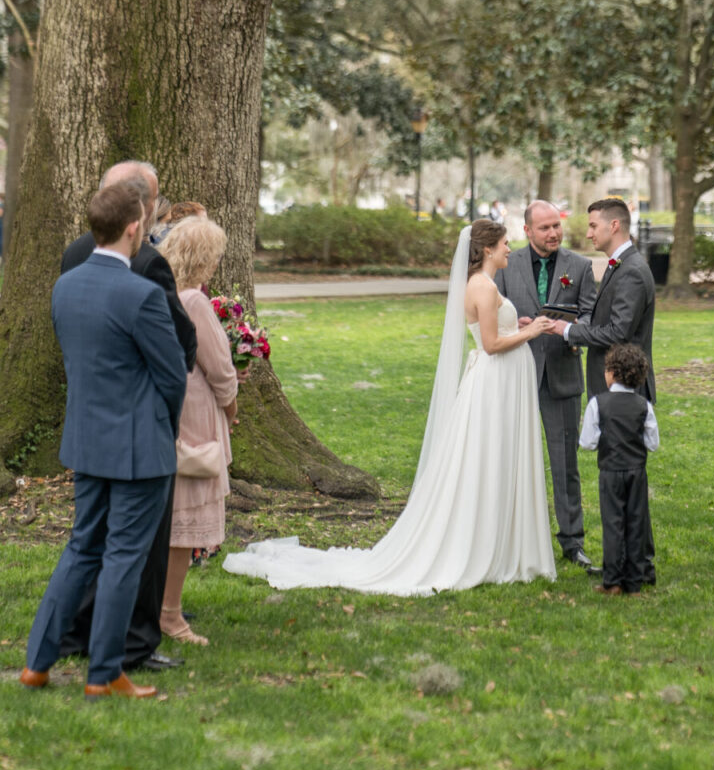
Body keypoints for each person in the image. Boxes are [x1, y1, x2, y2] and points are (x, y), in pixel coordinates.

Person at [224, 221, 556, 594]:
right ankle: (486, 546)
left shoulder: (483, 285)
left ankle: (500, 543)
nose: (509, 249)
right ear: (488, 250)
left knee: (494, 457)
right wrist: (532, 330)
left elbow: (495, 331)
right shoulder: (482, 285)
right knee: (488, 458)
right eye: (504, 243)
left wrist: (519, 326)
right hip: (495, 382)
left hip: (500, 382)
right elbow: (492, 344)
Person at [20, 181, 187, 698]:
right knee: (121, 558)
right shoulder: (141, 294)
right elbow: (174, 376)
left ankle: (37, 663)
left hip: (87, 440)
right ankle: (105, 674)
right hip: (139, 448)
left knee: (80, 549)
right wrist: (164, 430)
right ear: (135, 227)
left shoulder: (64, 287)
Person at [57, 161, 196, 674]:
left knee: (89, 537)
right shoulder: (148, 264)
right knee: (139, 542)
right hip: (139, 421)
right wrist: (168, 417)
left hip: (90, 417)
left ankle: (74, 631)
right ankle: (136, 640)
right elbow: (177, 346)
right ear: (140, 211)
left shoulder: (76, 251)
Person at [497, 200, 598, 571]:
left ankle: (573, 543)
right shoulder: (507, 264)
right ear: (527, 231)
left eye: (556, 225)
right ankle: (509, 538)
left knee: (565, 464)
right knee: (509, 460)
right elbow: (491, 311)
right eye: (544, 228)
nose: (553, 233)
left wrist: (571, 332)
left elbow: (590, 315)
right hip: (515, 374)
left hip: (562, 373)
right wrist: (515, 326)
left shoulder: (581, 267)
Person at [157, 216, 238, 646]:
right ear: (204, 258)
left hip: (172, 405)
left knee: (173, 511)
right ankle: (170, 614)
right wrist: (232, 404)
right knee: (185, 515)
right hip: (195, 408)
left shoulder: (162, 293)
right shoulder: (196, 302)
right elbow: (220, 368)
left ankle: (160, 606)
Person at [547, 198, 656, 402]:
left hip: (625, 390)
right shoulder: (620, 264)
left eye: (593, 226)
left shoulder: (632, 271)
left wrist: (568, 330)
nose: (589, 234)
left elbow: (619, 333)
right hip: (612, 389)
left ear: (614, 225)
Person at [579, 344, 659, 596]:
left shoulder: (597, 404)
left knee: (612, 523)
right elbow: (652, 444)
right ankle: (634, 582)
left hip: (610, 472)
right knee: (636, 522)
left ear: (612, 373)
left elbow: (588, 442)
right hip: (637, 472)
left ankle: (612, 580)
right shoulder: (644, 405)